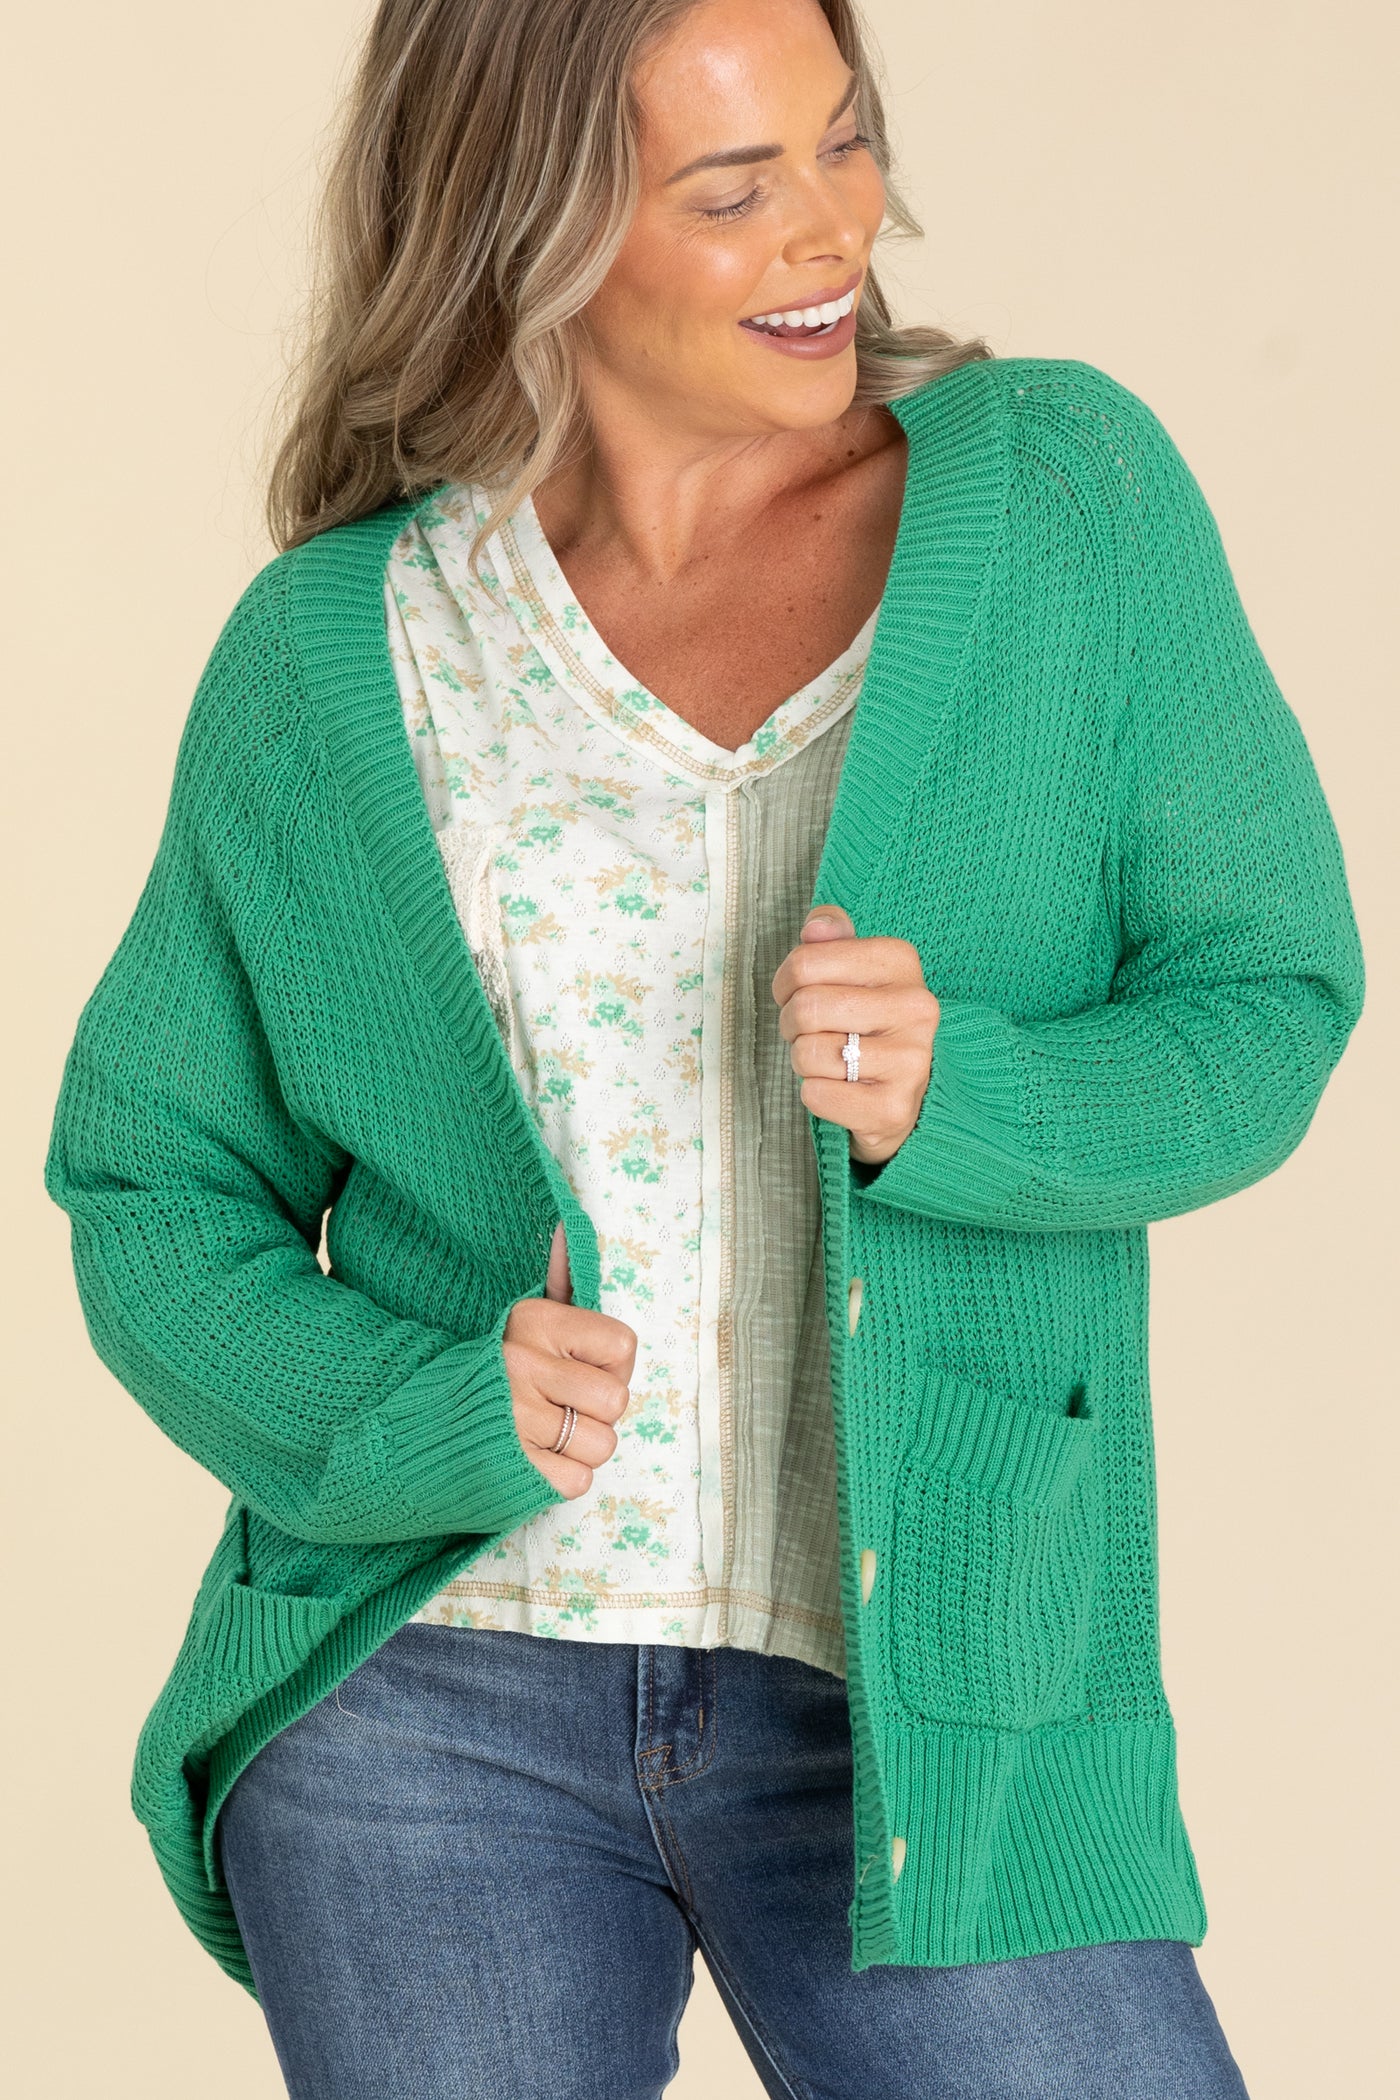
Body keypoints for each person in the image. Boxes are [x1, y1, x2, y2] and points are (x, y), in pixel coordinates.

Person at [44, 0, 1364, 2094]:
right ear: (531, 232)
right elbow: (153, 1188)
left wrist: (967, 1098)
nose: (832, 227)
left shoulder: (1057, 500)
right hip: (430, 1699)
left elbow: (1267, 999)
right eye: (734, 191)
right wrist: (412, 1408)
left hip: (927, 1705)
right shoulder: (345, 647)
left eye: (843, 142)